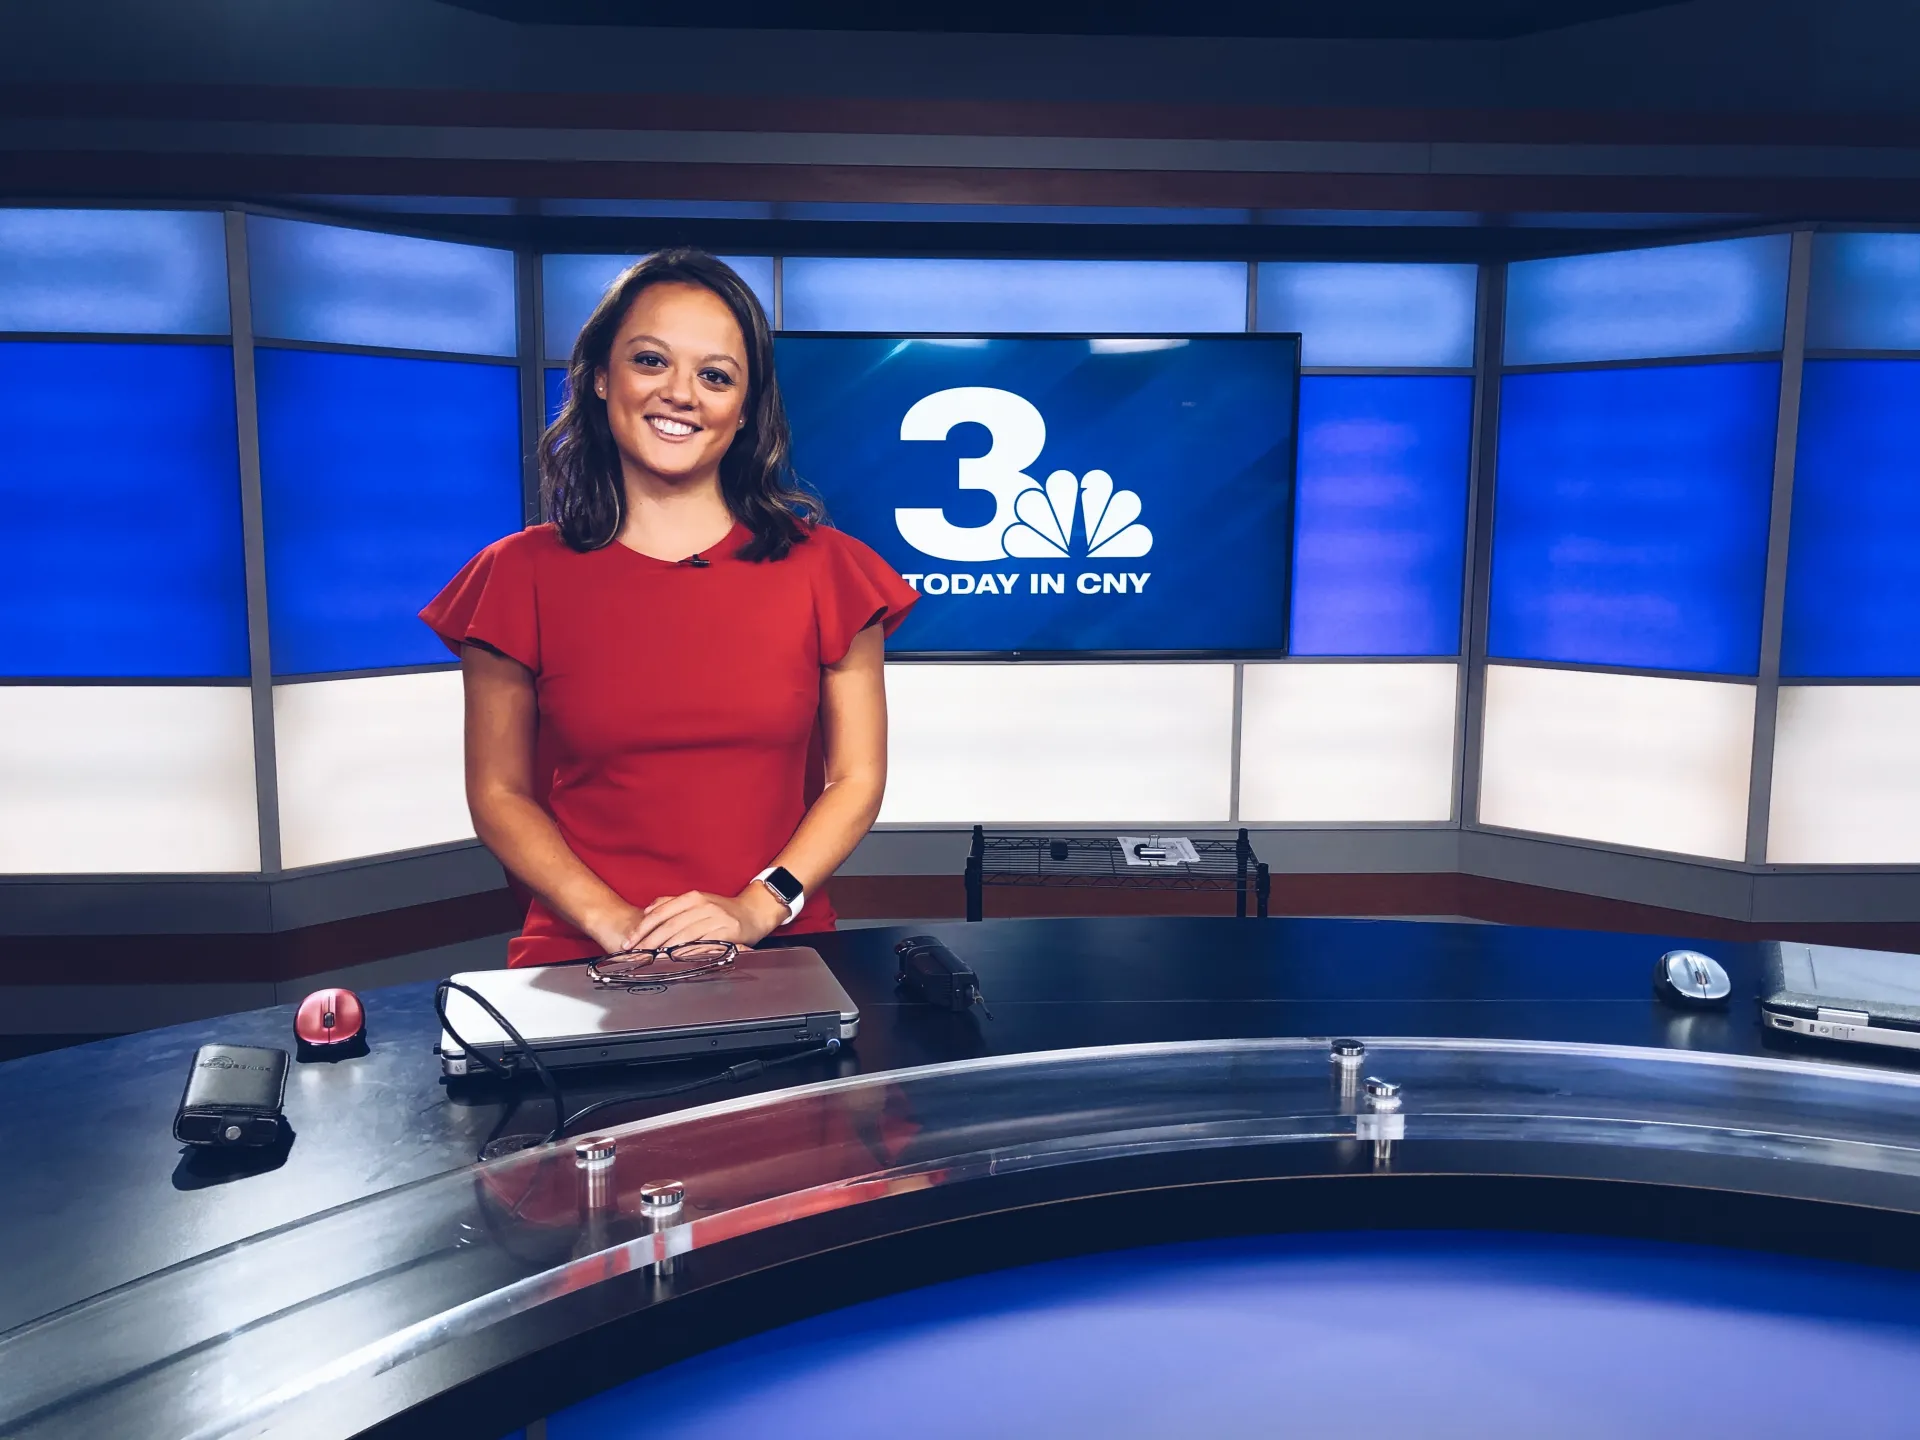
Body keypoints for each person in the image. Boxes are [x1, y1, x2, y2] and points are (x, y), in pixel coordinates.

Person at [421, 249, 916, 968]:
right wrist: (619, 925)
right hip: (581, 955)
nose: (681, 393)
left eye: (715, 375)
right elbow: (500, 794)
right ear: (600, 376)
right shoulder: (515, 575)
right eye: (651, 361)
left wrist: (756, 906)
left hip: (777, 951)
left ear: (744, 410)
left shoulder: (829, 570)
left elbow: (856, 780)